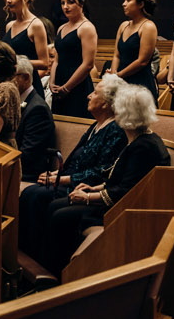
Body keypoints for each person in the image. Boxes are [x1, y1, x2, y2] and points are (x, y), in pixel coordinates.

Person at [39, 83, 170, 271]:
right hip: (118, 202)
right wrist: (95, 188)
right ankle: (49, 270)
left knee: (60, 214)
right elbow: (119, 177)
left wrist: (88, 197)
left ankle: (58, 274)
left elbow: (127, 191)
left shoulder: (144, 147)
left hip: (126, 211)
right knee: (56, 206)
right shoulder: (138, 139)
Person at [18, 75, 128, 279]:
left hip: (85, 186)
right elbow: (74, 160)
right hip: (70, 180)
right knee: (30, 194)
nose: (88, 95)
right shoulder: (96, 125)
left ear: (105, 103)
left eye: (94, 93)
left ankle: (43, 267)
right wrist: (56, 174)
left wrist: (63, 180)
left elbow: (102, 171)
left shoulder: (115, 130)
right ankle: (26, 259)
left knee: (37, 196)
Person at [49, 0, 98, 118]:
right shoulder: (61, 28)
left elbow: (88, 64)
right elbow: (57, 60)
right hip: (59, 84)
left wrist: (67, 87)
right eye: (63, 3)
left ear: (81, 3)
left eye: (70, 2)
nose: (65, 7)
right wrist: (52, 82)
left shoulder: (86, 27)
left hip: (77, 85)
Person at [110, 0, 161, 88]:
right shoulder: (123, 26)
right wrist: (113, 74)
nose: (124, 4)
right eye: (124, 0)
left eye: (128, 0)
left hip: (140, 83)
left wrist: (118, 75)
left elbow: (142, 61)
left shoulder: (148, 27)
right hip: (121, 81)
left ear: (141, 4)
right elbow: (116, 55)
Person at [14, 56, 57, 171]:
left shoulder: (37, 109)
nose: (5, 81)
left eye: (11, 76)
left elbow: (28, 156)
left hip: (27, 172)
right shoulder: (14, 100)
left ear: (26, 78)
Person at [3, 0, 51, 79]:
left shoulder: (36, 25)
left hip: (28, 80)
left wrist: (15, 62)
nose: (8, 0)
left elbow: (44, 63)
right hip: (10, 80)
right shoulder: (10, 26)